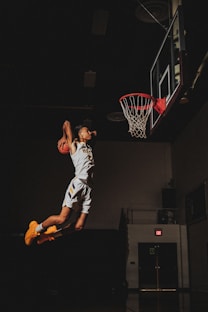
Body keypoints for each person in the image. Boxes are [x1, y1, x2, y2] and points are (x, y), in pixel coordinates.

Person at [24, 120, 96, 246]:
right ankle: (35, 229)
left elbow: (94, 133)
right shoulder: (74, 145)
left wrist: (92, 132)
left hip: (88, 188)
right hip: (78, 184)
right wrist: (64, 136)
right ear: (80, 134)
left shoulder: (88, 147)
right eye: (86, 131)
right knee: (62, 219)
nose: (89, 132)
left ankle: (49, 236)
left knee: (79, 226)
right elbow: (67, 123)